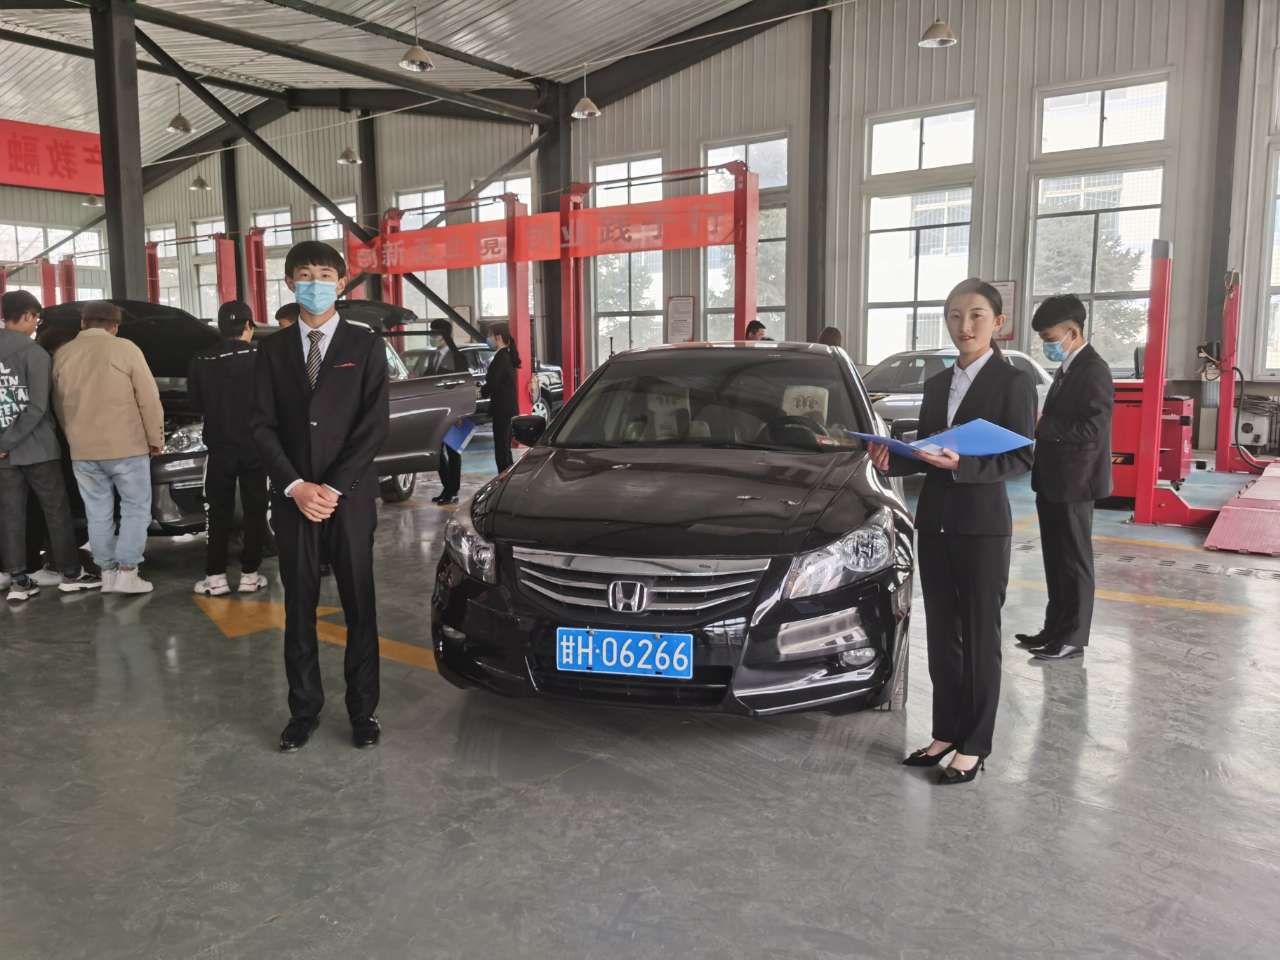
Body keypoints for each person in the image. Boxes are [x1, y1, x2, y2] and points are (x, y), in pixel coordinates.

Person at [869, 279, 1036, 785]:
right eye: (955, 315)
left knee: (980, 636)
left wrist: (964, 464)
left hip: (982, 526)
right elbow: (929, 452)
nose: (965, 326)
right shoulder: (938, 383)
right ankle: (945, 732)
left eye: (977, 315)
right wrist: (893, 460)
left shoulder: (1012, 383)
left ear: (998, 323)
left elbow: (1022, 457)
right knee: (943, 634)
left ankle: (975, 744)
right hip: (936, 522)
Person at [252, 241, 389, 752]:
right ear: (290, 283)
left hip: (347, 499)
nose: (315, 283)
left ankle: (363, 711)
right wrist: (295, 486)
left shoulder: (364, 344)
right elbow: (261, 426)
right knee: (299, 605)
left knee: (359, 604)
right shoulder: (271, 350)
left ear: (341, 282)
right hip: (294, 500)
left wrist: (331, 488)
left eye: (325, 274)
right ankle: (303, 710)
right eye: (305, 275)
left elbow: (373, 426)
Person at [1015, 294, 1114, 662]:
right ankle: (1054, 629)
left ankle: (1073, 637)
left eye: (1050, 338)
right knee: (1056, 561)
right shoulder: (1068, 367)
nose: (1047, 345)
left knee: (1074, 562)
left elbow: (1094, 427)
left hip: (1076, 482)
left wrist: (1044, 426)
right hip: (1054, 480)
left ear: (1073, 332)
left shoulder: (1093, 369)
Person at [52, 301, 164, 595]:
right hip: (127, 446)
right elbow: (148, 398)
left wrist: (73, 436)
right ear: (115, 327)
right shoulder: (126, 349)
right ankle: (128, 572)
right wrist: (155, 438)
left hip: (83, 451)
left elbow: (58, 405)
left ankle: (108, 573)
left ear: (83, 324)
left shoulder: (63, 354)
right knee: (135, 507)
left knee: (97, 511)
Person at [0, 291, 100, 601]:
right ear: (27, 315)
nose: (36, 325)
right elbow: (37, 407)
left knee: (10, 514)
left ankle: (18, 581)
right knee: (56, 510)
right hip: (38, 449)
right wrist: (9, 440)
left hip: (3, 454)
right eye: (36, 318)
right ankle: (70, 574)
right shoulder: (35, 353)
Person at [189, 301, 270, 597]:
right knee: (255, 510)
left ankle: (216, 578)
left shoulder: (201, 359)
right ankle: (250, 575)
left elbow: (195, 404)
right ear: (248, 326)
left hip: (220, 448)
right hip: (256, 448)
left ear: (220, 328)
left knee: (217, 512)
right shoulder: (261, 358)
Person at [428, 319, 466, 505]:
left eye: (433, 333)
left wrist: (459, 412)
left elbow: (461, 386)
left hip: (452, 412)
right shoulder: (434, 356)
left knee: (453, 451)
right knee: (437, 451)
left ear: (443, 335)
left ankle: (453, 490)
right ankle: (446, 487)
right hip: (437, 411)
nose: (431, 336)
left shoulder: (457, 356)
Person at [480, 323, 520, 474]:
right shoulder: (505, 355)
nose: (488, 339)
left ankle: (504, 479)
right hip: (507, 408)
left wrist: (482, 391)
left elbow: (493, 383)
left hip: (502, 410)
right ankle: (508, 478)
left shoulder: (501, 358)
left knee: (502, 450)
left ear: (498, 337)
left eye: (489, 335)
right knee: (505, 449)